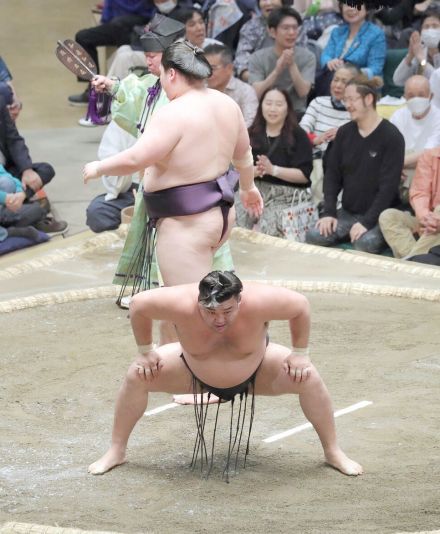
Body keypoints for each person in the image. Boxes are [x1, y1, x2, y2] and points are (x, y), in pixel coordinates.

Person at [88, 270, 363, 478]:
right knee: (138, 374)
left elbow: (300, 306)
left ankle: (332, 451)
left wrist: (300, 353)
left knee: (308, 376)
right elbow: (138, 305)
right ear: (198, 301)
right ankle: (117, 450)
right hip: (190, 370)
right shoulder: (179, 303)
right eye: (209, 311)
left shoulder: (261, 300)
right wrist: (145, 350)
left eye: (227, 311)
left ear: (240, 301)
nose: (219, 320)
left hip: (258, 370)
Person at [83, 40, 263, 311]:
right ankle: (170, 353)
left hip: (187, 222)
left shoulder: (174, 113)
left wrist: (100, 167)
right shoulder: (226, 104)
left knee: (188, 307)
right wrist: (248, 188)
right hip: (220, 215)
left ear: (172, 73)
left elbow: (137, 158)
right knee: (180, 305)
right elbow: (244, 157)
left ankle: (220, 352)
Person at [305, 75, 405, 254]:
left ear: (368, 99)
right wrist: (329, 213)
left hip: (380, 216)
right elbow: (332, 176)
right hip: (348, 212)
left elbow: (388, 189)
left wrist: (366, 223)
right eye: (345, 100)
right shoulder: (344, 133)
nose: (347, 105)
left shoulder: (392, 137)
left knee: (365, 243)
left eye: (351, 99)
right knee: (314, 235)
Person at [236, 86, 313, 237]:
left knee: (269, 225)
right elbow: (236, 171)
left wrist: (273, 170)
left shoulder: (299, 135)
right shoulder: (251, 133)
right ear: (261, 106)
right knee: (234, 215)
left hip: (287, 195)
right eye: (268, 103)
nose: (273, 109)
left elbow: (304, 175)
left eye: (279, 105)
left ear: (287, 108)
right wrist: (253, 173)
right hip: (254, 189)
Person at [0, 97, 68, 235]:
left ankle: (18, 205)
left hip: (5, 174)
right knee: (37, 210)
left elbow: (14, 138)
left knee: (44, 170)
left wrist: (26, 173)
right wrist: (5, 199)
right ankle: (17, 217)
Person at [68, 0, 155, 106]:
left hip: (139, 21)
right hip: (120, 21)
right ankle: (93, 87)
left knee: (121, 48)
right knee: (83, 37)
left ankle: (105, 93)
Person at [299, 63, 355, 204]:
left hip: (342, 165)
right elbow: (300, 133)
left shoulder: (356, 111)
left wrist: (343, 136)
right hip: (315, 160)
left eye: (344, 82)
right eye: (335, 80)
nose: (338, 85)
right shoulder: (318, 103)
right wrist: (315, 139)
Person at [248, 6, 316, 116]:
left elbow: (303, 92)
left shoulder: (308, 57)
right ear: (272, 32)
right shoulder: (257, 57)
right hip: (266, 112)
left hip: (296, 112)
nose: (291, 32)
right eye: (286, 28)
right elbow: (256, 93)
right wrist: (277, 71)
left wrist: (292, 65)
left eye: (295, 28)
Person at [379, 147, 440, 259]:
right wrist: (424, 217)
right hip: (429, 223)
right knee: (388, 216)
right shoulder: (430, 155)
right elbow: (420, 192)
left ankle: (411, 261)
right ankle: (414, 259)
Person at [318, 2, 386, 95]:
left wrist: (350, 72)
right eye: (346, 4)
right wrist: (329, 62)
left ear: (366, 8)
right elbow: (326, 55)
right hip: (333, 80)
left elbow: (375, 68)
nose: (351, 8)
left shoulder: (376, 34)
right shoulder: (337, 32)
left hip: (361, 86)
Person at [390, 75, 440, 173]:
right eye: (411, 96)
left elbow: (430, 153)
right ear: (405, 98)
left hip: (429, 171)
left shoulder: (438, 117)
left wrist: (399, 163)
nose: (416, 99)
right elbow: (389, 149)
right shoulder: (398, 116)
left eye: (421, 95)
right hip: (400, 170)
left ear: (431, 96)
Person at [204, 43, 258, 127]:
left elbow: (250, 123)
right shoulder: (199, 89)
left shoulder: (245, 91)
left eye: (213, 68)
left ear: (229, 68)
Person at [392, 9, 440, 87]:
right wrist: (410, 56)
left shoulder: (420, 54)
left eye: (435, 26)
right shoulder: (420, 50)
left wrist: (422, 61)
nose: (430, 29)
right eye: (426, 27)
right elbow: (398, 80)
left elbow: (438, 82)